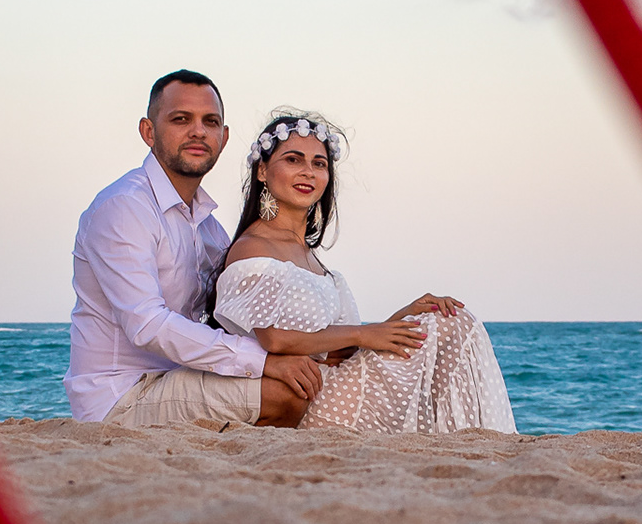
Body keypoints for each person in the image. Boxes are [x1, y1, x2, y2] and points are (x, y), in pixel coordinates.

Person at [211, 109, 515, 434]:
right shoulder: (254, 246)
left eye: (319, 164)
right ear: (262, 170)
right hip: (311, 397)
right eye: (293, 160)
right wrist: (363, 334)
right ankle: (473, 441)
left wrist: (401, 317)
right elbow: (274, 338)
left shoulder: (309, 256)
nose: (308, 172)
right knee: (449, 326)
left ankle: (467, 440)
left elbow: (347, 350)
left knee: (445, 318)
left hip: (340, 384)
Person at [65, 72, 323, 428]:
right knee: (285, 392)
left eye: (210, 122)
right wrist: (265, 361)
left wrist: (333, 343)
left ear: (224, 137)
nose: (198, 132)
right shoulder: (124, 207)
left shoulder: (207, 226)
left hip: (180, 379)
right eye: (181, 119)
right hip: (122, 395)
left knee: (311, 379)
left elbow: (235, 316)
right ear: (149, 132)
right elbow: (148, 325)